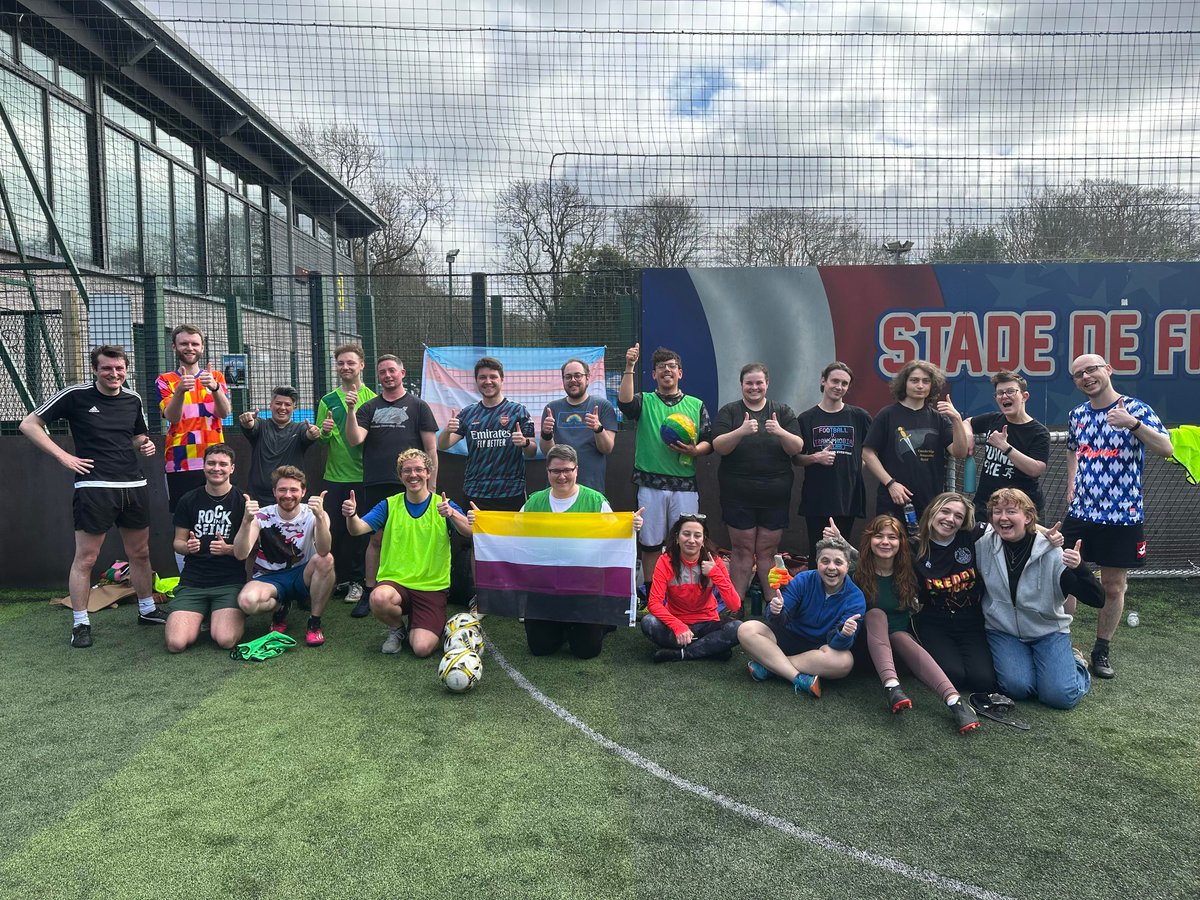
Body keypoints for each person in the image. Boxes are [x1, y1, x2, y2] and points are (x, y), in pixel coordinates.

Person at [20, 345, 165, 648]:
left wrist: (145, 445)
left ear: (127, 370)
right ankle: (81, 623)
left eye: (119, 369)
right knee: (86, 559)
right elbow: (29, 424)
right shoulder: (75, 395)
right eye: (107, 369)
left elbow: (138, 436)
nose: (114, 374)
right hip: (94, 488)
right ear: (95, 370)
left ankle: (148, 610)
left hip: (133, 487)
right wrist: (63, 456)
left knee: (140, 554)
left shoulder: (133, 398)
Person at [1062, 353, 1173, 679]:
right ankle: (1062, 643)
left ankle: (1101, 650)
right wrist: (1071, 479)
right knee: (1064, 578)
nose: (1086, 377)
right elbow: (1072, 447)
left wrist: (1133, 425)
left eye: (1091, 369)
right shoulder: (1077, 415)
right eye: (1078, 374)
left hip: (1122, 516)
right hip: (1081, 513)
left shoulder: (1135, 409)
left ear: (1107, 370)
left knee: (1113, 586)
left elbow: (1166, 449)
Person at [837, 515, 979, 734]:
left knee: (901, 636)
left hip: (900, 655)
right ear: (869, 540)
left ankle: (955, 702)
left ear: (901, 542)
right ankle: (892, 687)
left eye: (892, 537)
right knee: (876, 615)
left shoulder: (910, 573)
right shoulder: (855, 574)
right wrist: (839, 541)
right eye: (879, 536)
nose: (885, 542)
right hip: (864, 651)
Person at [978, 488, 1103, 709]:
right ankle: (1043, 669)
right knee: (1017, 688)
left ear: (1027, 517)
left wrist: (1081, 568)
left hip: (1047, 632)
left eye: (1011, 511)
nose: (1003, 517)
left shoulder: (1053, 553)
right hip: (1003, 631)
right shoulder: (983, 545)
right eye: (997, 512)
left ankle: (1076, 665)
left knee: (1060, 697)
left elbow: (1097, 599)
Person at [341, 449, 471, 657]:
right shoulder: (389, 505)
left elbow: (470, 532)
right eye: (407, 470)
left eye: (419, 469)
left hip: (431, 587)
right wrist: (351, 515)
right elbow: (356, 529)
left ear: (428, 473)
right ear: (400, 475)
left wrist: (453, 513)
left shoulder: (444, 505)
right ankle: (396, 629)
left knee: (421, 648)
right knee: (379, 597)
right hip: (396, 583)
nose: (413, 475)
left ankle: (428, 626)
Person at [519, 445, 641, 658]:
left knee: (586, 651)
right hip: (546, 587)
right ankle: (564, 626)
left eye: (567, 470)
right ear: (547, 471)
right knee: (540, 648)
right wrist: (481, 522)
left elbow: (614, 535)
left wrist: (631, 525)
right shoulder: (534, 502)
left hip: (584, 588)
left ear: (577, 470)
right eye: (555, 471)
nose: (562, 476)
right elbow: (511, 531)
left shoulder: (595, 501)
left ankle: (603, 622)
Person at [346, 355, 438, 616]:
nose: (387, 375)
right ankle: (369, 589)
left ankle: (420, 589)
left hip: (414, 486)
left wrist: (431, 486)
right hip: (377, 481)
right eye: (382, 372)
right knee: (376, 538)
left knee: (415, 539)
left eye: (391, 371)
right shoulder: (368, 407)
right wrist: (351, 410)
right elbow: (355, 439)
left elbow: (431, 448)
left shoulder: (419, 406)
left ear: (402, 373)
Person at [618, 343, 713, 594]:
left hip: (685, 486)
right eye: (661, 367)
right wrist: (629, 366)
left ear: (680, 373)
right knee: (650, 544)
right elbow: (625, 404)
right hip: (650, 485)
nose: (667, 370)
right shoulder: (645, 400)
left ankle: (683, 592)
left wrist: (695, 451)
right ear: (654, 375)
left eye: (672, 366)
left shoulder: (696, 404)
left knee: (687, 543)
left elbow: (709, 441)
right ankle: (651, 593)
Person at [711, 363, 804, 600]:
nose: (754, 387)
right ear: (742, 385)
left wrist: (780, 432)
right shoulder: (729, 412)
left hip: (775, 495)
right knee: (741, 550)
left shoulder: (782, 412)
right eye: (749, 383)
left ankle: (774, 604)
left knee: (767, 551)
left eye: (759, 383)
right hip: (737, 495)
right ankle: (735, 604)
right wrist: (740, 431)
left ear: (767, 384)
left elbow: (797, 448)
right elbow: (719, 446)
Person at [737, 537, 865, 698]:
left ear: (848, 566)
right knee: (747, 629)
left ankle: (770, 667)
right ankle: (797, 678)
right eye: (825, 561)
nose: (831, 567)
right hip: (788, 638)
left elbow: (837, 644)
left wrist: (844, 633)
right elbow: (780, 618)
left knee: (845, 662)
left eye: (838, 562)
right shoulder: (804, 579)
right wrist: (777, 610)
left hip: (818, 650)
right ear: (817, 562)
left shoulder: (856, 598)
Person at [234, 465, 336, 647]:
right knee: (246, 601)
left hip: (301, 573)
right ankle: (281, 606)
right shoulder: (261, 515)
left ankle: (314, 622)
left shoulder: (314, 514)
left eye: (294, 490)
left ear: (303, 492)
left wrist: (320, 517)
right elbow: (241, 554)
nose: (288, 495)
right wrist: (246, 520)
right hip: (269, 577)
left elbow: (323, 550)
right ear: (274, 491)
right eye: (282, 489)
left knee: (326, 560)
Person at [906, 492, 995, 694]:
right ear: (932, 511)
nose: (950, 519)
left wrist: (1047, 533)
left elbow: (1010, 525)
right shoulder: (914, 546)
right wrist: (841, 542)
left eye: (958, 516)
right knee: (953, 675)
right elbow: (877, 557)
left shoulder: (971, 536)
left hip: (971, 619)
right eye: (945, 511)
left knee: (983, 681)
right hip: (934, 620)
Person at [863, 359, 970, 520]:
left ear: (931, 386)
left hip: (930, 503)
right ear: (904, 383)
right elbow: (867, 453)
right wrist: (890, 484)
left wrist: (956, 419)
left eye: (926, 381)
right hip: (893, 500)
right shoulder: (887, 415)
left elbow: (959, 452)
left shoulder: (939, 419)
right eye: (914, 380)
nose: (920, 385)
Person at [166, 444, 247, 653]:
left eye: (223, 464)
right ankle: (203, 613)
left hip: (229, 581)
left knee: (226, 639)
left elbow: (250, 548)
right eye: (211, 463)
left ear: (232, 468)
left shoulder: (242, 501)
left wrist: (229, 549)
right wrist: (187, 547)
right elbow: (178, 543)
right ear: (203, 467)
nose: (216, 468)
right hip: (194, 582)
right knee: (176, 644)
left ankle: (219, 614)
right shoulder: (188, 499)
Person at [315, 343, 377, 607]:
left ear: (361, 365)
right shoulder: (327, 401)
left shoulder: (373, 399)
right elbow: (320, 438)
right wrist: (325, 431)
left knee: (361, 532)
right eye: (341, 363)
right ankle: (338, 579)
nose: (345, 367)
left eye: (351, 362)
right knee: (336, 531)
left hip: (364, 477)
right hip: (335, 477)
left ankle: (358, 581)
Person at [795, 361, 873, 564]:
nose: (839, 387)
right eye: (835, 381)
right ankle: (815, 595)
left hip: (848, 495)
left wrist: (857, 464)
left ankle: (840, 595)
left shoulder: (859, 416)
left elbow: (871, 451)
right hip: (817, 496)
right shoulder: (806, 418)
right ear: (823, 381)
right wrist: (815, 457)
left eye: (844, 383)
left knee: (842, 553)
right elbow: (795, 458)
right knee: (817, 552)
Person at [438, 356, 535, 511]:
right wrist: (447, 430)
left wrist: (525, 443)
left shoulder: (518, 411)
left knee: (510, 535)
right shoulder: (468, 413)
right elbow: (443, 445)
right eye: (482, 377)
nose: (488, 381)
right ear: (476, 381)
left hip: (510, 492)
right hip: (476, 493)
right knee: (474, 535)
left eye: (493, 377)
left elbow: (532, 452)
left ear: (502, 380)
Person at [641, 513, 742, 663]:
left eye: (697, 536)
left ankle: (681, 654)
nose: (691, 540)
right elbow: (654, 603)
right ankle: (709, 648)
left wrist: (715, 573)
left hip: (707, 624)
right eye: (686, 534)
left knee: (737, 628)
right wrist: (678, 626)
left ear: (703, 540)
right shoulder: (665, 561)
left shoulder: (715, 562)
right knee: (648, 622)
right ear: (677, 537)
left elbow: (735, 605)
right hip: (676, 625)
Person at [156, 325, 230, 515]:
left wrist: (215, 388)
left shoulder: (216, 377)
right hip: (180, 461)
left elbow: (224, 412)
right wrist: (180, 391)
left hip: (214, 460)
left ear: (202, 347)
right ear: (174, 347)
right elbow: (172, 417)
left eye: (195, 344)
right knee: (184, 518)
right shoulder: (165, 380)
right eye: (184, 344)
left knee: (217, 516)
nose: (190, 348)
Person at [964, 370, 1050, 522]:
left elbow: (1036, 469)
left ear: (1024, 396)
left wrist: (1005, 447)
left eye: (1010, 391)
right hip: (987, 507)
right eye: (1000, 393)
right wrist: (969, 435)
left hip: (1021, 510)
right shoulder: (993, 419)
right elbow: (968, 421)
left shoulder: (1039, 432)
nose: (1004, 396)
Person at [539, 358, 618, 493]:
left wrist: (598, 429)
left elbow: (607, 448)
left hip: (591, 488)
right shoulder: (551, 408)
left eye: (578, 375)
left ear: (587, 379)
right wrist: (546, 434)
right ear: (563, 380)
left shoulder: (603, 406)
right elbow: (548, 452)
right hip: (559, 487)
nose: (573, 380)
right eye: (568, 377)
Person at [238, 386, 321, 505]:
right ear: (271, 405)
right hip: (259, 498)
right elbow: (251, 426)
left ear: (294, 408)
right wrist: (247, 422)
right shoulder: (261, 426)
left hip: (290, 498)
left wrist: (313, 433)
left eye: (287, 404)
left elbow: (308, 435)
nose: (282, 408)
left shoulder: (300, 428)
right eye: (278, 403)